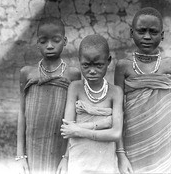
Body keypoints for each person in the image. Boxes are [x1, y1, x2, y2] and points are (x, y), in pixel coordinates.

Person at [114, 7, 171, 173]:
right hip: (134, 142)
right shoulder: (123, 66)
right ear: (131, 33)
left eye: (153, 32)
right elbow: (118, 112)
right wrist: (120, 154)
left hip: (165, 144)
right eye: (141, 31)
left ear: (162, 35)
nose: (147, 36)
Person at [16, 17, 81, 174]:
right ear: (37, 43)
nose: (50, 46)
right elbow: (22, 114)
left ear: (64, 41)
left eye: (56, 40)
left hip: (59, 146)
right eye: (43, 41)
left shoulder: (72, 74)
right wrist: (20, 156)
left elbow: (74, 119)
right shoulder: (27, 73)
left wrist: (66, 157)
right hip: (32, 146)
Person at [57, 34, 124, 174]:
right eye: (86, 65)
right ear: (79, 61)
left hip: (105, 160)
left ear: (108, 61)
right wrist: (65, 158)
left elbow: (116, 133)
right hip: (78, 159)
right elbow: (68, 129)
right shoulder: (75, 88)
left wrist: (79, 130)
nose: (92, 71)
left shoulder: (115, 92)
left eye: (99, 65)